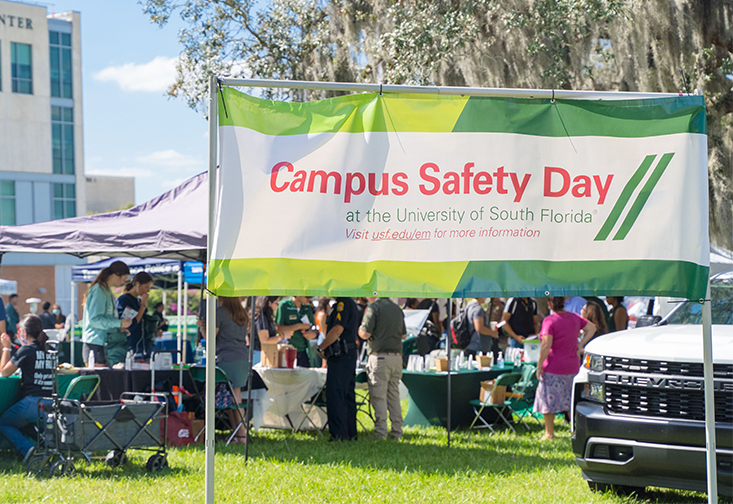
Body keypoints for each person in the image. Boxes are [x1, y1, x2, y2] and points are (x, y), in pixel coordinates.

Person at [534, 297, 596, 440]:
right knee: (571, 399)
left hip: (553, 365)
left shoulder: (549, 320)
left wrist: (539, 365)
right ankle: (575, 431)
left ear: (549, 304)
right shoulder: (574, 318)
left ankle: (549, 433)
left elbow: (546, 344)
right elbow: (592, 328)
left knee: (548, 400)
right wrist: (580, 345)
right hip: (572, 365)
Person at [0, 315, 54, 461]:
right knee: (21, 420)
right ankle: (42, 442)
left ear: (23, 332)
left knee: (4, 422)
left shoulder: (26, 350)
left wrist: (6, 347)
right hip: (51, 403)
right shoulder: (50, 350)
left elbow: (4, 372)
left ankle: (27, 449)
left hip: (32, 403)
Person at [358, 297, 407, 440]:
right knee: (393, 395)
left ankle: (380, 433)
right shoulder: (397, 309)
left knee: (379, 396)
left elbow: (365, 334)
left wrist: (360, 330)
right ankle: (397, 431)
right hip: (396, 358)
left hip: (379, 358)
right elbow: (404, 335)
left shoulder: (374, 308)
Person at [317, 297, 358, 441]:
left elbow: (337, 329)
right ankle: (350, 432)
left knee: (336, 394)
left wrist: (322, 346)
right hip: (348, 354)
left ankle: (339, 434)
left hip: (341, 355)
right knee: (347, 395)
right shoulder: (349, 303)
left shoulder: (342, 304)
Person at [213, 296, 250, 444]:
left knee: (233, 396)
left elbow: (210, 338)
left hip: (226, 358)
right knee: (236, 395)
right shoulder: (242, 313)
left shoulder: (220, 312)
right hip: (242, 357)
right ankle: (238, 434)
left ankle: (241, 435)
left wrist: (202, 327)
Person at [82, 261, 132, 367]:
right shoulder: (99, 291)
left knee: (106, 380)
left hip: (103, 343)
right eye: (124, 279)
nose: (124, 283)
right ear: (116, 275)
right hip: (95, 344)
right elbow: (95, 320)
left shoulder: (106, 290)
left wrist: (118, 329)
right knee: (100, 381)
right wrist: (119, 323)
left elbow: (105, 318)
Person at [117, 272, 154, 358]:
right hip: (131, 346)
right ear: (137, 284)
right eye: (146, 287)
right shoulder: (125, 300)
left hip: (144, 345)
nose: (148, 291)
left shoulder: (138, 301)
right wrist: (143, 307)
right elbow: (130, 324)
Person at [275, 296, 317, 367]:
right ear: (297, 294)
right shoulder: (283, 305)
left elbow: (313, 328)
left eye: (311, 297)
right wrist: (298, 326)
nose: (309, 299)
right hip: (287, 350)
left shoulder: (308, 308)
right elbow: (277, 329)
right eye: (307, 296)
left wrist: (313, 334)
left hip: (304, 351)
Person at [254, 296, 284, 364]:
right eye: (276, 303)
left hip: (265, 353)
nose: (278, 305)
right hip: (259, 355)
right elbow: (265, 341)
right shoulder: (261, 318)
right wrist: (282, 336)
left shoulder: (266, 317)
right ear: (269, 303)